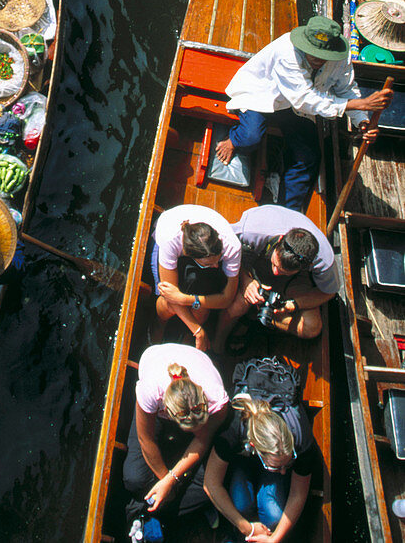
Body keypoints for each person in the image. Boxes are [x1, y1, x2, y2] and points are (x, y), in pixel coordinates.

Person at [214, 14, 392, 210]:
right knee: (249, 139)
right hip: (265, 96)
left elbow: (346, 90)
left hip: (297, 108)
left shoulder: (343, 57)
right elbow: (305, 99)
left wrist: (362, 122)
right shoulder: (285, 51)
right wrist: (360, 104)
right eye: (313, 53)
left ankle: (286, 211)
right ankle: (233, 139)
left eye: (324, 57)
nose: (318, 60)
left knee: (309, 158)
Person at [124, 343, 229, 536]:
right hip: (159, 405)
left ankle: (146, 511)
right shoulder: (151, 389)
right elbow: (145, 439)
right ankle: (174, 509)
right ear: (169, 414)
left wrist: (170, 481)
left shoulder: (216, 396)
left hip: (194, 410)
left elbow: (203, 438)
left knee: (210, 488)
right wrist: (167, 482)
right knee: (134, 479)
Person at [213, 204, 338, 353]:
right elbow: (225, 252)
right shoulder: (251, 230)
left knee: (311, 327)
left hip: (296, 280)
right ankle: (217, 343)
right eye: (275, 265)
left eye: (283, 271)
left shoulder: (324, 262)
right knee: (237, 306)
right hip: (254, 262)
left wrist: (295, 304)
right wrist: (245, 280)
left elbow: (329, 292)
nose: (276, 273)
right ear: (279, 240)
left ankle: (253, 315)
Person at [204, 386, 316, 543]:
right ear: (254, 446)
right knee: (241, 505)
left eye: (288, 463)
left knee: (274, 516)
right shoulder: (233, 429)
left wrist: (274, 539)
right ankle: (234, 535)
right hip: (241, 460)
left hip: (267, 463)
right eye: (277, 467)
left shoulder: (302, 440)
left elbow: (298, 493)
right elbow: (210, 484)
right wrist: (246, 528)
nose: (283, 472)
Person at [151, 203, 241, 350]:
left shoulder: (232, 246)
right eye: (210, 264)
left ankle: (186, 338)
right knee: (167, 305)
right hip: (167, 242)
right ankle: (159, 325)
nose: (216, 267)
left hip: (197, 258)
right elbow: (169, 295)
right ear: (189, 255)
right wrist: (199, 331)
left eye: (218, 260)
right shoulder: (170, 239)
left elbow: (227, 299)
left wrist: (187, 299)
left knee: (202, 307)